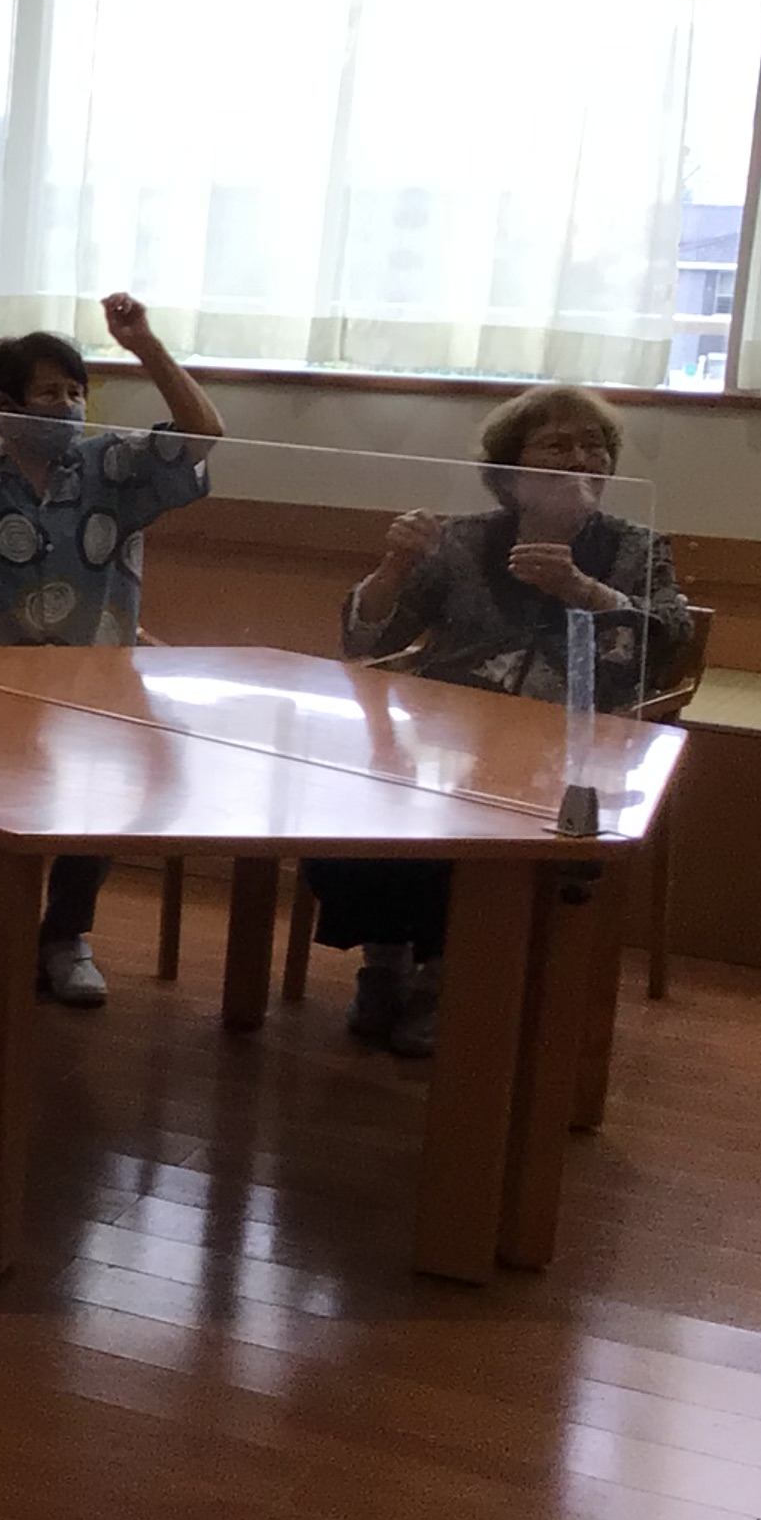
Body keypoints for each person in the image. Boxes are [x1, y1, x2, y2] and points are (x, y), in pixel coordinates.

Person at [0, 296, 225, 1007]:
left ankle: (65, 936)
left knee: (94, 806)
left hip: (92, 680)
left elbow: (203, 433)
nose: (70, 405)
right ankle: (2, 936)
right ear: (2, 407)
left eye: (76, 391)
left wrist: (145, 344)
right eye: (51, 393)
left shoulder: (110, 465)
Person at [307, 386, 692, 1058]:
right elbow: (366, 640)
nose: (581, 459)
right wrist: (395, 565)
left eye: (594, 446)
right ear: (510, 467)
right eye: (557, 445)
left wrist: (584, 591)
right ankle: (384, 961)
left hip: (567, 742)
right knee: (351, 797)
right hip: (445, 733)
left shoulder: (637, 546)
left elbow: (668, 643)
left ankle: (444, 976)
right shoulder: (460, 539)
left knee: (475, 816)